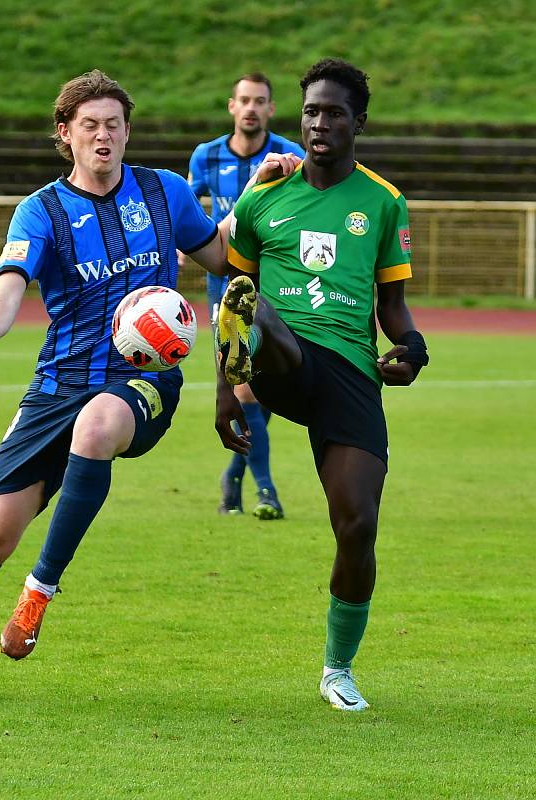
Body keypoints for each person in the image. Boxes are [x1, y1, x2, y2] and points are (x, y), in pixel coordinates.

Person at [0, 69, 233, 701]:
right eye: (89, 126)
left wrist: (267, 213)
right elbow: (8, 287)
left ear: (128, 132)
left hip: (143, 381)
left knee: (99, 424)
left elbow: (223, 254)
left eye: (113, 124)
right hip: (57, 383)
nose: (103, 136)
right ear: (66, 135)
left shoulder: (166, 193)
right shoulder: (42, 210)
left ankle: (38, 592)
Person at [215, 58, 428, 711]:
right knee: (260, 308)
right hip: (282, 363)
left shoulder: (382, 202)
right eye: (309, 111)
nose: (318, 122)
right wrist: (226, 393)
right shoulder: (261, 199)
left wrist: (412, 348)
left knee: (357, 524)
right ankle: (260, 347)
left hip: (351, 374)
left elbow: (391, 309)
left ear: (357, 121)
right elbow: (232, 301)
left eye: (332, 112)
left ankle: (337, 669)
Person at [187, 73, 305, 520]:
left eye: (260, 101)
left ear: (271, 109)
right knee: (246, 391)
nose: (251, 108)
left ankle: (234, 477)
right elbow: (194, 214)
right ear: (231, 106)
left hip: (275, 291)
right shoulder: (206, 156)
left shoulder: (290, 156)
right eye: (244, 100)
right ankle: (267, 491)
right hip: (226, 292)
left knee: (263, 391)